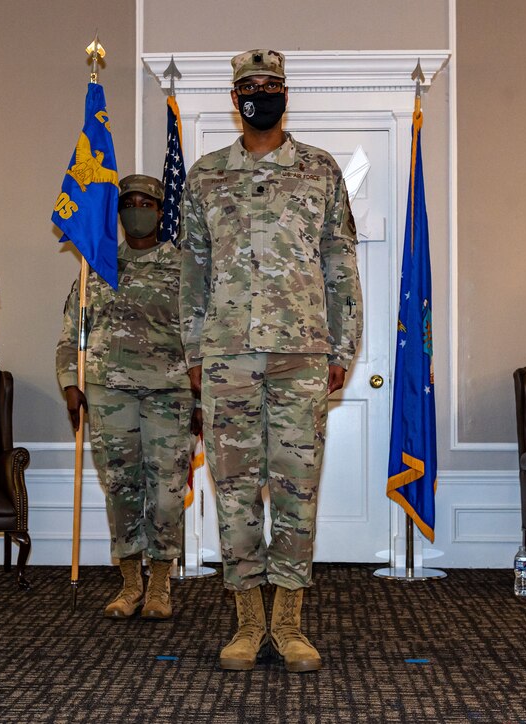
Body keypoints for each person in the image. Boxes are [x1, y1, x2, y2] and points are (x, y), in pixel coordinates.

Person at [179, 49, 363, 672]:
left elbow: (341, 264)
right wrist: (193, 353)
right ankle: (246, 622)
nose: (262, 94)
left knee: (295, 491)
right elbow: (193, 275)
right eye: (250, 87)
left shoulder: (320, 170)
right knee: (232, 492)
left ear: (287, 93)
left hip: (301, 354)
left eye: (272, 85)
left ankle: (289, 623)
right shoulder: (205, 176)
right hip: (227, 354)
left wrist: (343, 345)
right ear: (235, 98)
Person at [57, 174, 199, 621]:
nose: (137, 210)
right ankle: (129, 582)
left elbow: (201, 339)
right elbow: (70, 335)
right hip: (108, 391)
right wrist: (69, 383)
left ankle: (159, 581)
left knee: (167, 491)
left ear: (161, 212)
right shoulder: (97, 265)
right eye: (129, 203)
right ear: (118, 214)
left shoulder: (183, 269)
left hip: (170, 393)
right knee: (120, 486)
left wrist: (203, 398)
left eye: (146, 203)